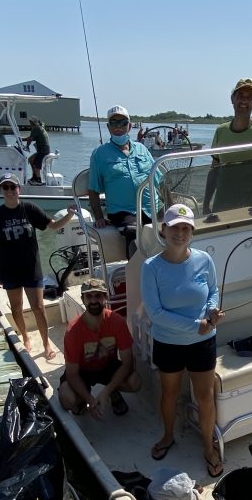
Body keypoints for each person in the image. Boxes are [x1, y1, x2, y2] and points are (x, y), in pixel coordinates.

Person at [140, 204, 225, 478]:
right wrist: (194, 325)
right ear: (163, 230)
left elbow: (213, 291)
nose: (180, 233)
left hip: (203, 341)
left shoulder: (204, 260)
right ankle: (167, 436)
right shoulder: (151, 267)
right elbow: (155, 313)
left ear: (192, 232)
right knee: (170, 393)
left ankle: (208, 447)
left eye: (186, 228)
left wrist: (212, 311)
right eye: (175, 227)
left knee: (205, 397)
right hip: (169, 343)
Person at [0, 174, 76, 357]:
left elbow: (52, 225)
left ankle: (46, 345)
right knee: (16, 307)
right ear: (1, 191)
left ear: (19, 189)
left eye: (13, 187)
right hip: (8, 269)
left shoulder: (29, 208)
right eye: (6, 187)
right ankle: (26, 338)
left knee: (38, 307)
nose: (10, 191)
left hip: (31, 268)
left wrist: (68, 215)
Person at [58, 278, 142, 419]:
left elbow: (128, 363)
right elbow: (72, 373)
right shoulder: (73, 331)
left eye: (98, 296)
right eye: (89, 296)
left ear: (105, 297)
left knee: (135, 382)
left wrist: (105, 392)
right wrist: (91, 400)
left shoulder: (118, 322)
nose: (93, 301)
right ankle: (84, 399)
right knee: (68, 399)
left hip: (107, 366)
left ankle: (112, 392)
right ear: (83, 299)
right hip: (82, 371)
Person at [206, 77, 252, 214]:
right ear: (232, 99)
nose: (244, 100)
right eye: (240, 96)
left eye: (249, 97)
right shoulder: (221, 131)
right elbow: (214, 170)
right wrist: (206, 203)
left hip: (249, 205)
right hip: (221, 202)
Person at [88, 106, 157, 230]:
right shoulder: (99, 154)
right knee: (134, 231)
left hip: (152, 207)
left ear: (129, 126)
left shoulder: (142, 149)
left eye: (122, 123)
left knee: (175, 225)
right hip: (123, 213)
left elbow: (159, 181)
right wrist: (99, 217)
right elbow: (93, 190)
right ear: (108, 127)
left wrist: (171, 206)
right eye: (114, 123)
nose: (118, 127)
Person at [22, 116, 51, 185]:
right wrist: (21, 139)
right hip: (44, 149)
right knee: (31, 159)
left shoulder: (36, 128)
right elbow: (31, 138)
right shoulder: (40, 128)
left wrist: (27, 146)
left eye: (30, 123)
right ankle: (34, 177)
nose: (30, 124)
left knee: (36, 165)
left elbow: (30, 139)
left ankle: (38, 180)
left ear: (33, 123)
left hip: (43, 150)